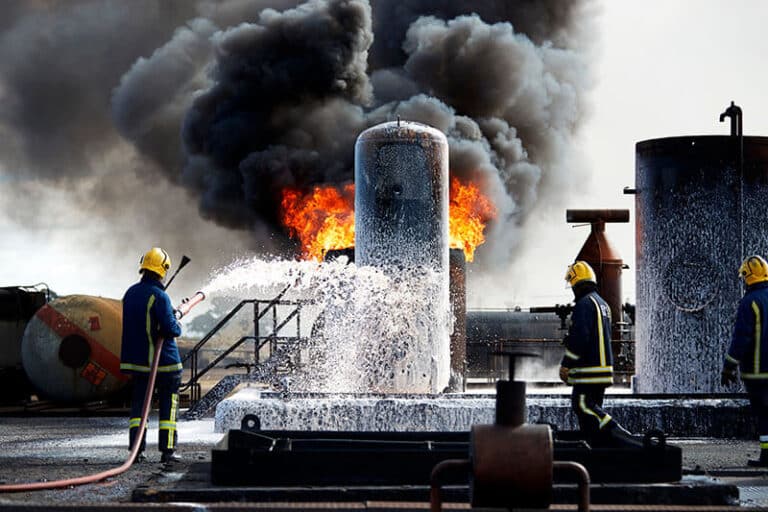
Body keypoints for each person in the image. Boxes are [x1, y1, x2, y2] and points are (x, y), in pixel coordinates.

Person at [559, 260, 639, 447]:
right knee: (591, 414)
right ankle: (597, 447)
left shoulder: (584, 304)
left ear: (578, 284)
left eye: (573, 286)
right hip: (603, 369)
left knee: (582, 405)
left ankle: (618, 433)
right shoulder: (602, 304)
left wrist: (566, 364)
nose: (573, 290)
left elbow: (580, 338)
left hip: (589, 371)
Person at [120, 247, 183, 464]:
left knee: (139, 407)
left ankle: (136, 450)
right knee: (168, 407)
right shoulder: (160, 296)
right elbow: (170, 329)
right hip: (165, 363)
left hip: (138, 365)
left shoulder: (130, 294)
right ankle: (168, 451)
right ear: (163, 270)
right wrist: (177, 321)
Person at [722, 255, 768, 466]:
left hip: (757, 373)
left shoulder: (750, 302)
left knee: (764, 415)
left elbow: (741, 338)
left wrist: (729, 367)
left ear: (748, 277)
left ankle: (766, 456)